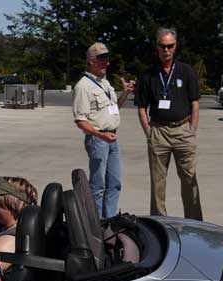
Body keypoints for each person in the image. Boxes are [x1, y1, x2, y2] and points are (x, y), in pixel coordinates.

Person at [136, 27, 202, 220]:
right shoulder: (148, 75)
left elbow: (195, 102)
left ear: (175, 47)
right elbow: (141, 107)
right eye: (162, 46)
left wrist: (192, 129)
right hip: (158, 132)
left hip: (183, 130)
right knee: (158, 183)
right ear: (157, 47)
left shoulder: (186, 71)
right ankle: (160, 223)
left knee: (190, 180)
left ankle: (195, 224)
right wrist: (149, 131)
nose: (166, 50)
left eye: (170, 46)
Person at [72, 42, 135, 218]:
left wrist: (125, 94)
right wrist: (100, 135)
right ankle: (97, 223)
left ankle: (110, 221)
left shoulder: (105, 83)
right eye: (101, 59)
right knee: (98, 186)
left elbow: (114, 109)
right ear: (91, 61)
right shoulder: (83, 86)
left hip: (112, 137)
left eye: (107, 59)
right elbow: (80, 121)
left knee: (114, 183)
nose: (106, 63)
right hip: (98, 140)